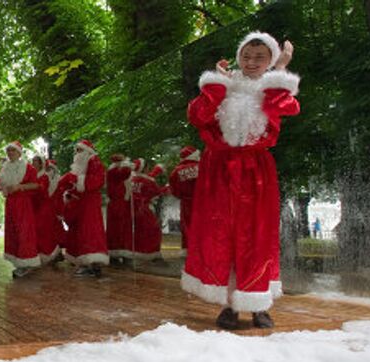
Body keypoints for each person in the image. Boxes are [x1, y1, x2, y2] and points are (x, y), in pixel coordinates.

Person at [181, 31, 300, 330]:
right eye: (246, 56)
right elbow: (198, 115)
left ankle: (259, 304)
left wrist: (281, 70)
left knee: (257, 237)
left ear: (270, 60)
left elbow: (286, 105)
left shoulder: (272, 89)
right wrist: (218, 83)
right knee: (222, 237)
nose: (251, 62)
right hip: (218, 173)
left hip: (255, 172)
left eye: (260, 57)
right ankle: (230, 306)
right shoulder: (223, 87)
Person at [57, 139, 109, 276]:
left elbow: (95, 181)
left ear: (87, 151)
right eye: (76, 150)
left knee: (90, 231)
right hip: (80, 204)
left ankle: (91, 263)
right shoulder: (79, 166)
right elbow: (67, 183)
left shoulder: (94, 162)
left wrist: (75, 180)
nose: (77, 153)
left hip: (90, 203)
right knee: (80, 232)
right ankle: (86, 263)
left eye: (80, 150)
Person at [0, 141, 41, 278]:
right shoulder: (5, 168)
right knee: (13, 233)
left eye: (13, 151)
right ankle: (19, 263)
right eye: (8, 151)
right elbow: (1, 184)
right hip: (10, 203)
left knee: (24, 232)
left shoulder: (28, 168)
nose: (10, 153)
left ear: (19, 152)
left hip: (23, 204)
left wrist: (20, 187)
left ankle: (27, 263)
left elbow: (36, 185)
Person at [125, 160, 167, 261]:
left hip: (131, 209)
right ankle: (151, 253)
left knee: (137, 232)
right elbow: (157, 192)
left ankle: (137, 252)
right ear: (144, 168)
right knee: (153, 231)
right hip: (143, 210)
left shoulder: (132, 179)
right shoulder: (148, 181)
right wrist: (167, 188)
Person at [168, 146, 201, 254]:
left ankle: (189, 249)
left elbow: (174, 190)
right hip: (204, 203)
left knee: (187, 226)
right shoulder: (203, 167)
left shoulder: (176, 171)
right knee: (204, 226)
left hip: (186, 203)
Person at [105, 154, 134, 264]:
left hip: (121, 203)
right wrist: (127, 164)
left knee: (121, 229)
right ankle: (120, 254)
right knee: (119, 230)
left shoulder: (114, 171)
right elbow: (125, 173)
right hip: (118, 203)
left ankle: (120, 254)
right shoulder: (114, 171)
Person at [32, 154, 60, 265]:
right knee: (36, 231)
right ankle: (39, 253)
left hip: (44, 207)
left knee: (43, 230)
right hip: (35, 207)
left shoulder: (44, 176)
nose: (33, 163)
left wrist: (32, 187)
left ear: (40, 163)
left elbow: (43, 191)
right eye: (32, 161)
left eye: (35, 161)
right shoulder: (32, 175)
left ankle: (48, 254)